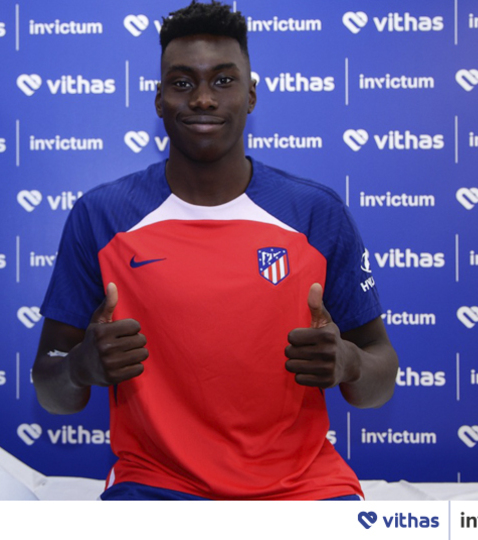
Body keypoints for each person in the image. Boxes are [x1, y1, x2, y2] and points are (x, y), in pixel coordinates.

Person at [32, 1, 398, 501]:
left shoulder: (316, 213)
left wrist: (349, 363)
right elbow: (50, 388)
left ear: (251, 95)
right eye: (182, 82)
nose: (203, 98)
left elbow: (379, 376)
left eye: (223, 81)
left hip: (302, 487)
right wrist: (79, 367)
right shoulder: (102, 217)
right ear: (158, 100)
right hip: (156, 485)